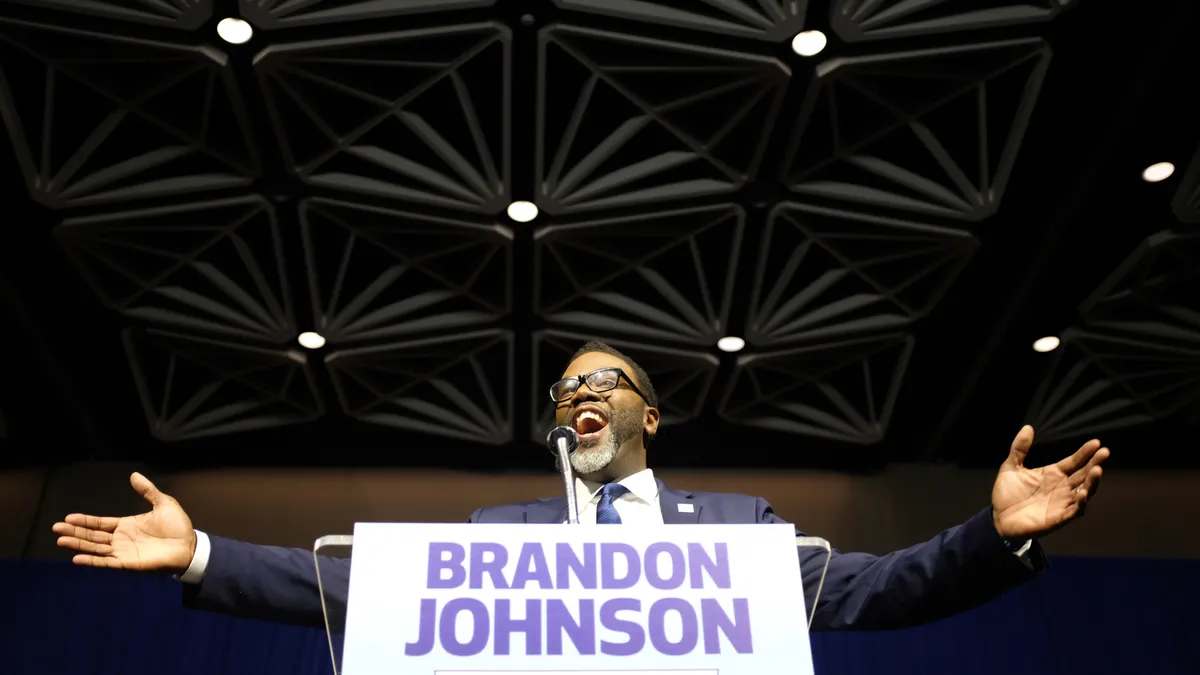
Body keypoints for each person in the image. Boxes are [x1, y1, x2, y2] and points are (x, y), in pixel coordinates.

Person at [53, 341, 1108, 631]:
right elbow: (356, 588)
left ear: (654, 413)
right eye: (564, 391)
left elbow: (878, 589)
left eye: (606, 383)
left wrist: (992, 532)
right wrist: (199, 552)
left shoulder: (739, 531)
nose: (581, 397)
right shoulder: (498, 530)